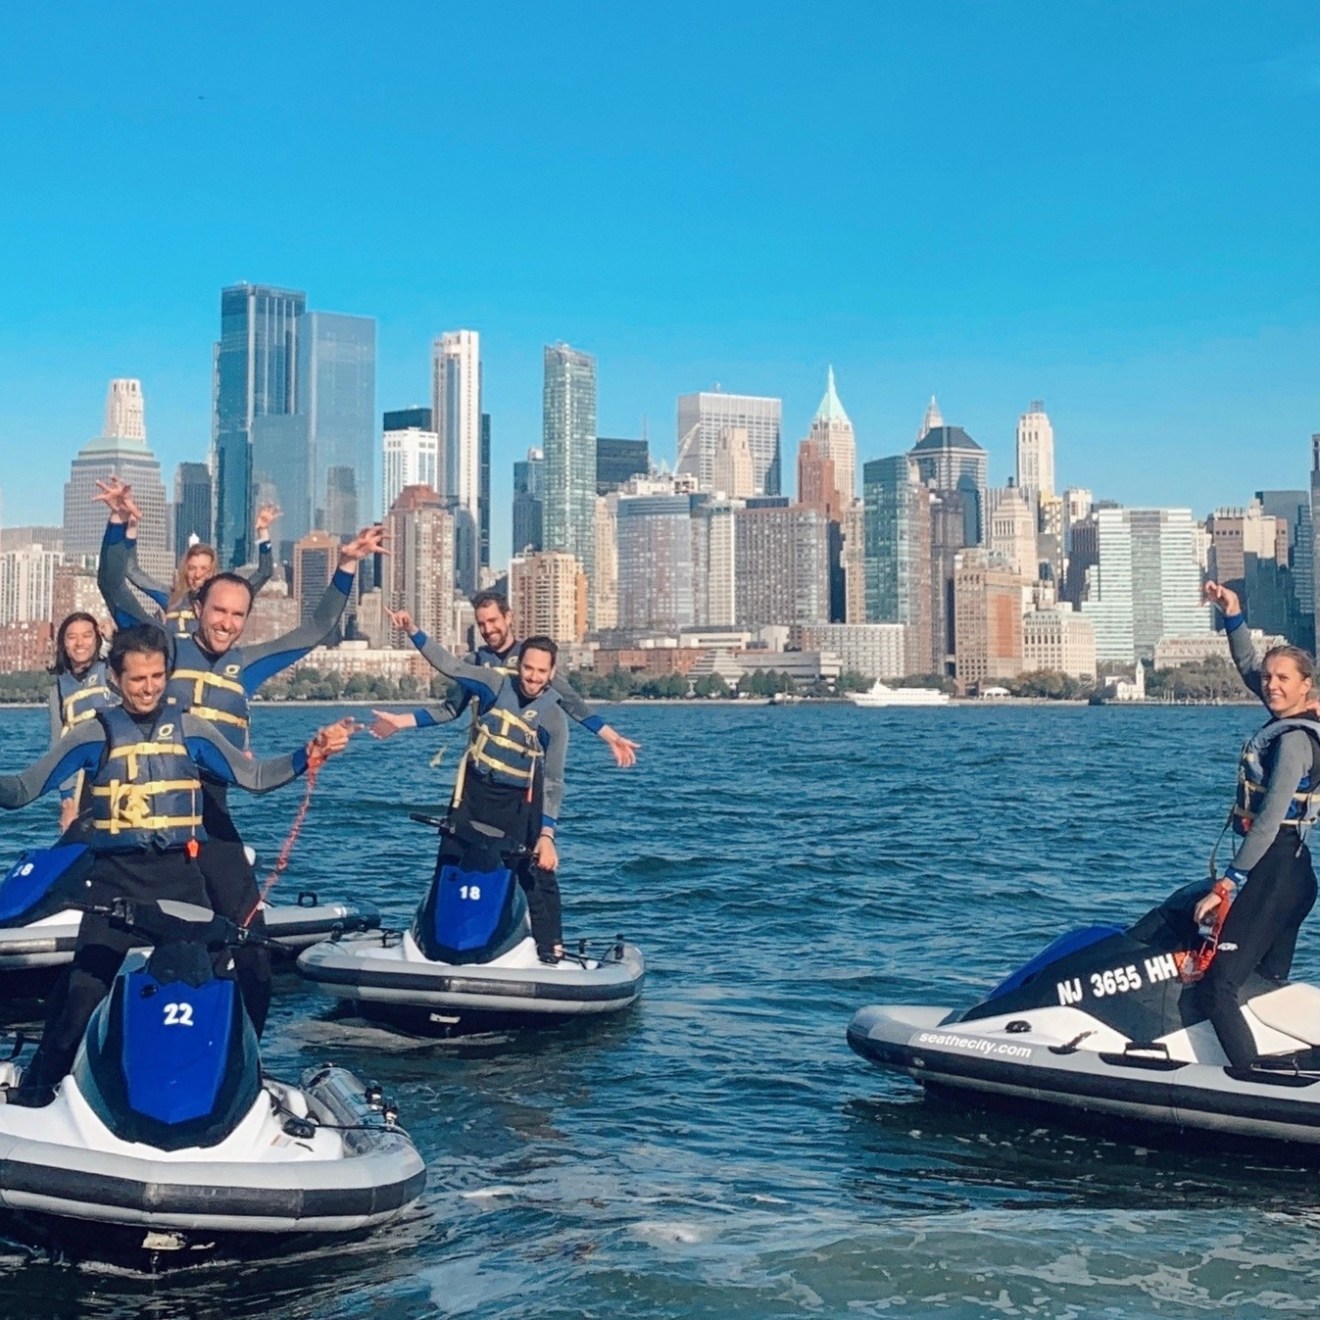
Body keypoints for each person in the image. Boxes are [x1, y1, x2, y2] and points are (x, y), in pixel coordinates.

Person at [0, 624, 354, 1103]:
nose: (148, 688)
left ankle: (235, 1088)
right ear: (114, 679)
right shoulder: (92, 733)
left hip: (179, 881)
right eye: (137, 679)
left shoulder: (192, 729)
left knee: (219, 985)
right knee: (82, 995)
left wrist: (307, 754)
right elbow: (22, 790)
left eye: (157, 676)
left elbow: (251, 776)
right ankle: (39, 1092)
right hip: (114, 886)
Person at [97, 480, 385, 1033]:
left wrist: (346, 565)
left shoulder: (247, 665)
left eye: (238, 615)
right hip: (146, 812)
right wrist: (118, 527)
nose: (227, 623)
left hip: (210, 813)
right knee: (110, 951)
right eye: (219, 611)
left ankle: (246, 1058)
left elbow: (316, 629)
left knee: (252, 944)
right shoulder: (159, 645)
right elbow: (113, 584)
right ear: (197, 604)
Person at [385, 607, 569, 963]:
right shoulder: (493, 684)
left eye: (540, 672)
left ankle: (551, 949)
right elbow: (450, 667)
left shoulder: (553, 717)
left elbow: (555, 780)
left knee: (535, 871)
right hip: (474, 792)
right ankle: (434, 938)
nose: (532, 677)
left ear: (552, 673)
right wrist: (413, 629)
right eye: (527, 668)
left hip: (518, 802)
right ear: (519, 665)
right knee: (450, 862)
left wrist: (547, 836)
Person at [1196, 581, 1320, 1071]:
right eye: (1269, 677)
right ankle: (1289, 1064)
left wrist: (1227, 884)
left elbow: (1268, 823)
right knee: (1262, 985)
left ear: (1306, 684)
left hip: (1273, 871)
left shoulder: (1293, 741)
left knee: (1219, 988)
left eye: (1283, 678)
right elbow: (1250, 666)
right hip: (1295, 874)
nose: (1271, 684)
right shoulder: (1287, 714)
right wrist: (1234, 615)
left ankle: (1249, 1085)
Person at [369, 591, 639, 767]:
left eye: (493, 620)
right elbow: (451, 709)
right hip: (484, 764)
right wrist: (400, 721)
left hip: (525, 766)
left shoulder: (533, 659)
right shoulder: (477, 662)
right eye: (482, 623)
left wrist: (612, 738)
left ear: (508, 617)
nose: (488, 629)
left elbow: (572, 703)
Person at [94, 477, 277, 637]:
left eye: (204, 569)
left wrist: (262, 530)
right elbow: (131, 571)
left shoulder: (226, 598)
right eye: (192, 568)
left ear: (213, 570)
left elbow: (264, 572)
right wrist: (131, 525)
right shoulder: (172, 598)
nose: (198, 574)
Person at [48, 612, 116, 832]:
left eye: (87, 635)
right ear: (63, 644)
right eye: (72, 637)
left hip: (118, 772)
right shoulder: (58, 689)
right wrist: (67, 800)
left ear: (97, 639)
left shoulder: (112, 671)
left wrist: (115, 638)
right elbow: (58, 745)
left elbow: (138, 658)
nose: (80, 643)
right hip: (82, 781)